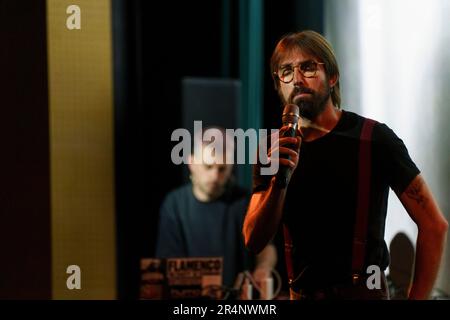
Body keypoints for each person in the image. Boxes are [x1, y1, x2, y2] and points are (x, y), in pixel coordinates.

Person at [243, 30, 448, 300]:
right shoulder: (271, 150)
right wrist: (279, 182)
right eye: (286, 71)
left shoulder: (374, 139)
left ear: (332, 76)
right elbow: (253, 240)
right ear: (278, 83)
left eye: (308, 67)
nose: (297, 79)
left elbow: (434, 225)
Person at [156, 127, 277, 293]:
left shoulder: (245, 201)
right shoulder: (174, 205)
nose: (214, 176)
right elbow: (167, 263)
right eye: (208, 167)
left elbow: (266, 247)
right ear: (191, 163)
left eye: (222, 169)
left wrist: (263, 268)